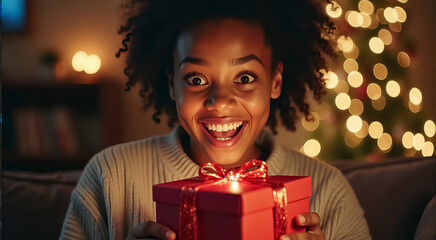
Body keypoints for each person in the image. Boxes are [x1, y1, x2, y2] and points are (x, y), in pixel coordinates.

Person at [60, 0, 371, 239]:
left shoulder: (328, 190)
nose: (220, 100)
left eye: (245, 77)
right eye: (196, 79)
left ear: (275, 81)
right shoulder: (111, 176)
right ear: (171, 83)